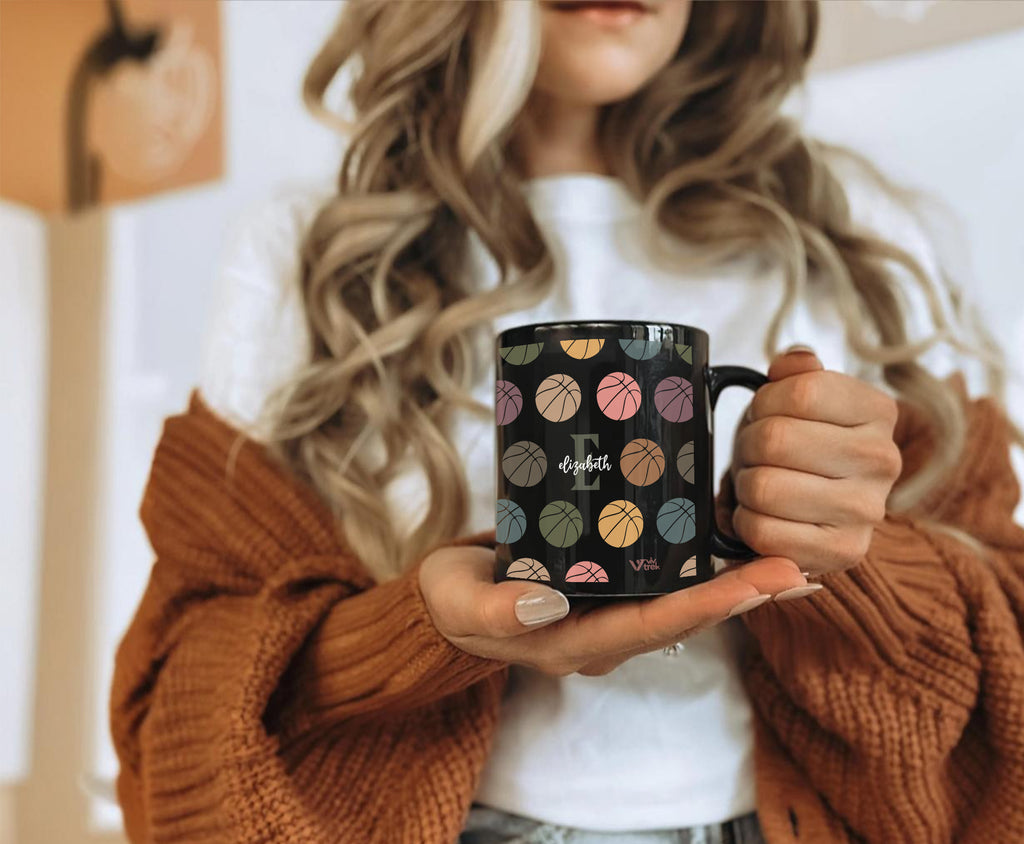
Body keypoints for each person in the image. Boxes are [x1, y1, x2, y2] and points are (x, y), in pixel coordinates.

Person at [110, 2, 1024, 843]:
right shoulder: (314, 256)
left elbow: (1003, 652)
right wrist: (415, 633)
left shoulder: (849, 233)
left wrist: (846, 561)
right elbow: (184, 683)